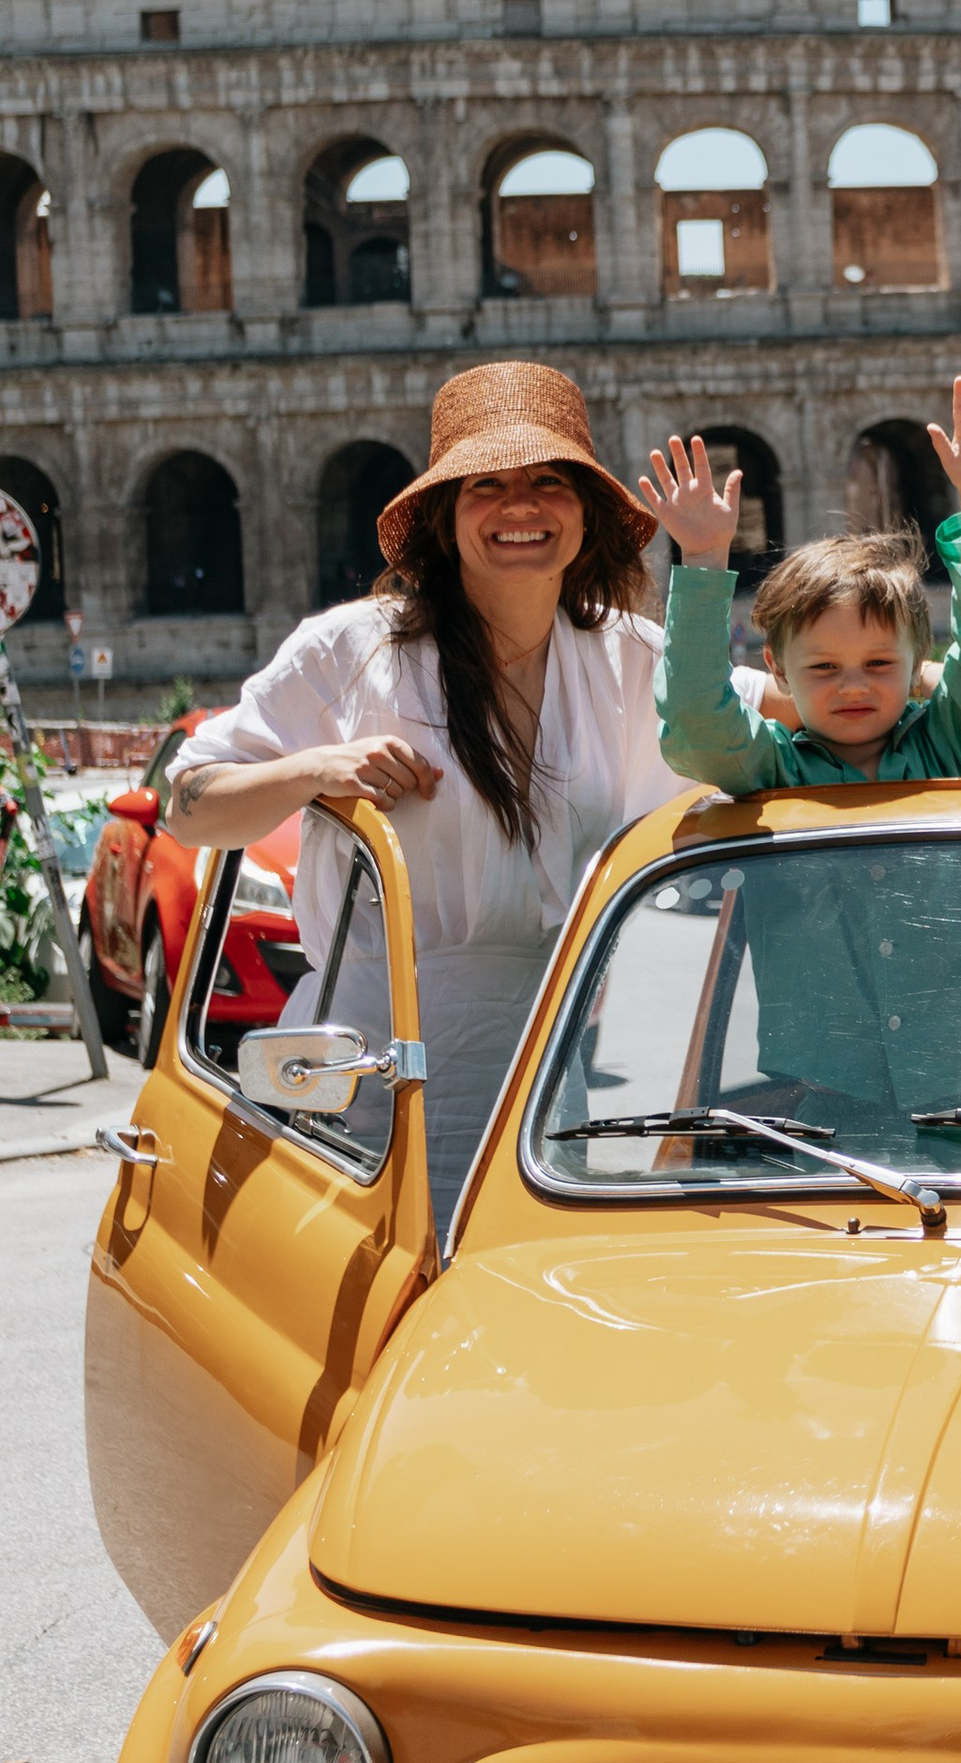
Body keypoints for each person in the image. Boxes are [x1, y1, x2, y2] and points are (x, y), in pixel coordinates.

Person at [166, 363, 680, 1223]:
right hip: (365, 1085)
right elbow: (191, 805)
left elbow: (802, 713)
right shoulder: (350, 651)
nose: (522, 507)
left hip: (553, 1094)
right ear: (445, 518)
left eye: (548, 482)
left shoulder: (633, 657)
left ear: (584, 513)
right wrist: (315, 773)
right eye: (489, 485)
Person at [637, 369, 961, 1168]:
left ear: (917, 662)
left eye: (876, 664)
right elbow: (692, 728)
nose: (854, 685)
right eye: (823, 669)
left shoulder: (950, 748)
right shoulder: (774, 771)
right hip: (829, 1111)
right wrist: (701, 559)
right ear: (778, 675)